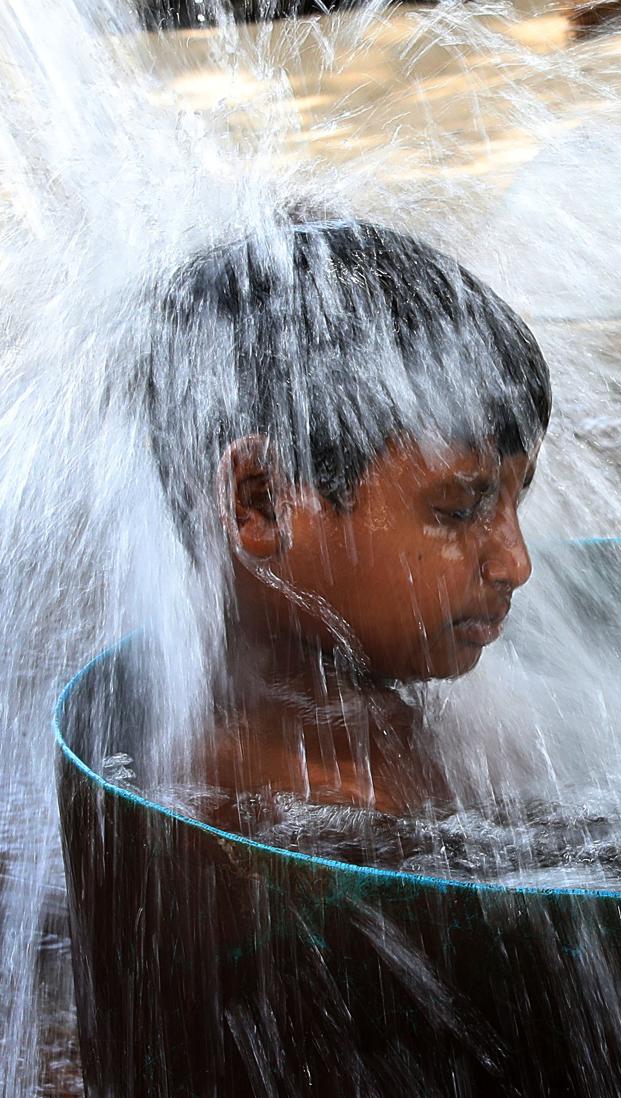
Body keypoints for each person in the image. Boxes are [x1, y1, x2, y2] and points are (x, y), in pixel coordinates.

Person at [141, 216, 550, 827]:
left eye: (518, 500)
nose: (516, 564)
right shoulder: (312, 818)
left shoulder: (391, 735)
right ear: (262, 503)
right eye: (459, 510)